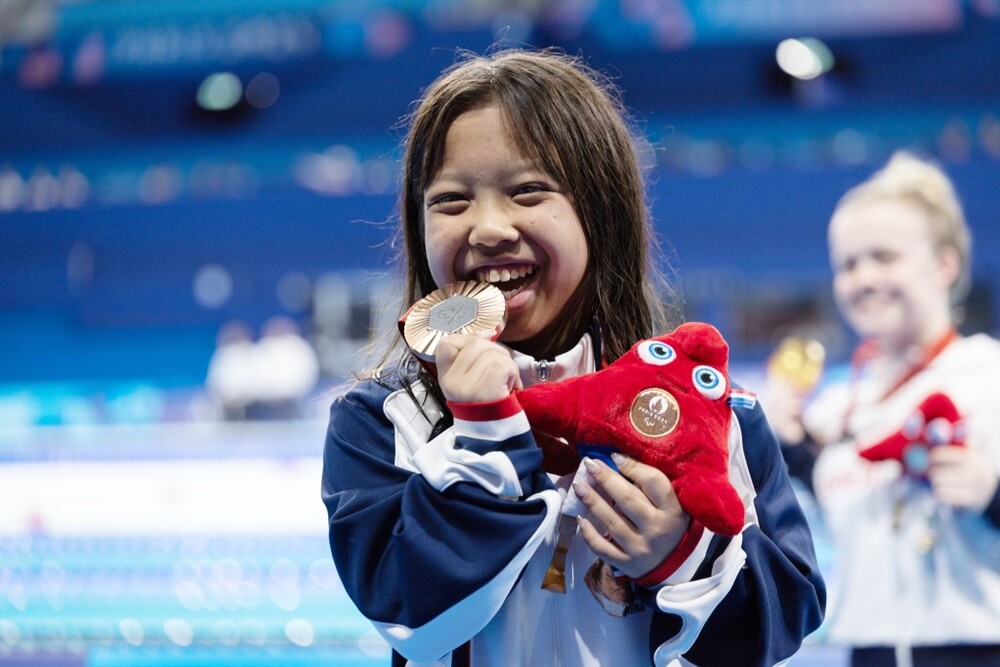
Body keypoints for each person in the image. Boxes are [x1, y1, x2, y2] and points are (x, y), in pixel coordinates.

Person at [321, 48, 825, 667]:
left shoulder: (714, 411)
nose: (488, 228)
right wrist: (484, 438)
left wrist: (680, 556)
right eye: (450, 201)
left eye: (529, 191)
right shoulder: (381, 421)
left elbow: (784, 622)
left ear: (600, 213)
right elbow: (409, 618)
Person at [768, 151, 1000, 666]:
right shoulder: (836, 407)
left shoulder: (988, 375)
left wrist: (993, 495)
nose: (864, 278)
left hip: (973, 648)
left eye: (884, 257)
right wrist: (793, 451)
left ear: (945, 265)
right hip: (866, 649)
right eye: (848, 264)